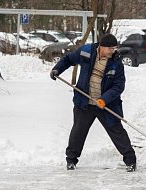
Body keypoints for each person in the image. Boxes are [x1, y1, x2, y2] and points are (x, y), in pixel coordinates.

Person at [50, 33, 137, 172]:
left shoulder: (116, 63)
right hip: (84, 101)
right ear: (102, 47)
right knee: (78, 132)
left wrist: (105, 99)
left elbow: (119, 86)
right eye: (110, 48)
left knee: (117, 132)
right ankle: (71, 160)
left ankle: (130, 161)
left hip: (106, 104)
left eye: (115, 48)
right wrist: (57, 69)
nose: (113, 51)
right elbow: (68, 59)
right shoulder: (86, 51)